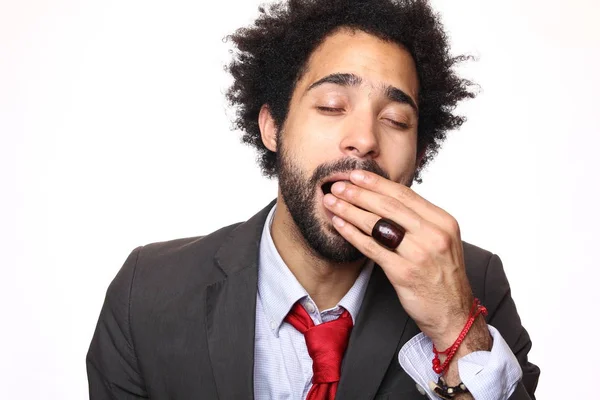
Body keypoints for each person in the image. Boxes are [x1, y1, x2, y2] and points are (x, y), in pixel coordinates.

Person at [86, 0, 540, 399]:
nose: (363, 140)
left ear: (419, 155)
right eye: (330, 106)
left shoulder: (475, 285)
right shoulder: (145, 291)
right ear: (272, 127)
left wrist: (455, 328)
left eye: (396, 120)